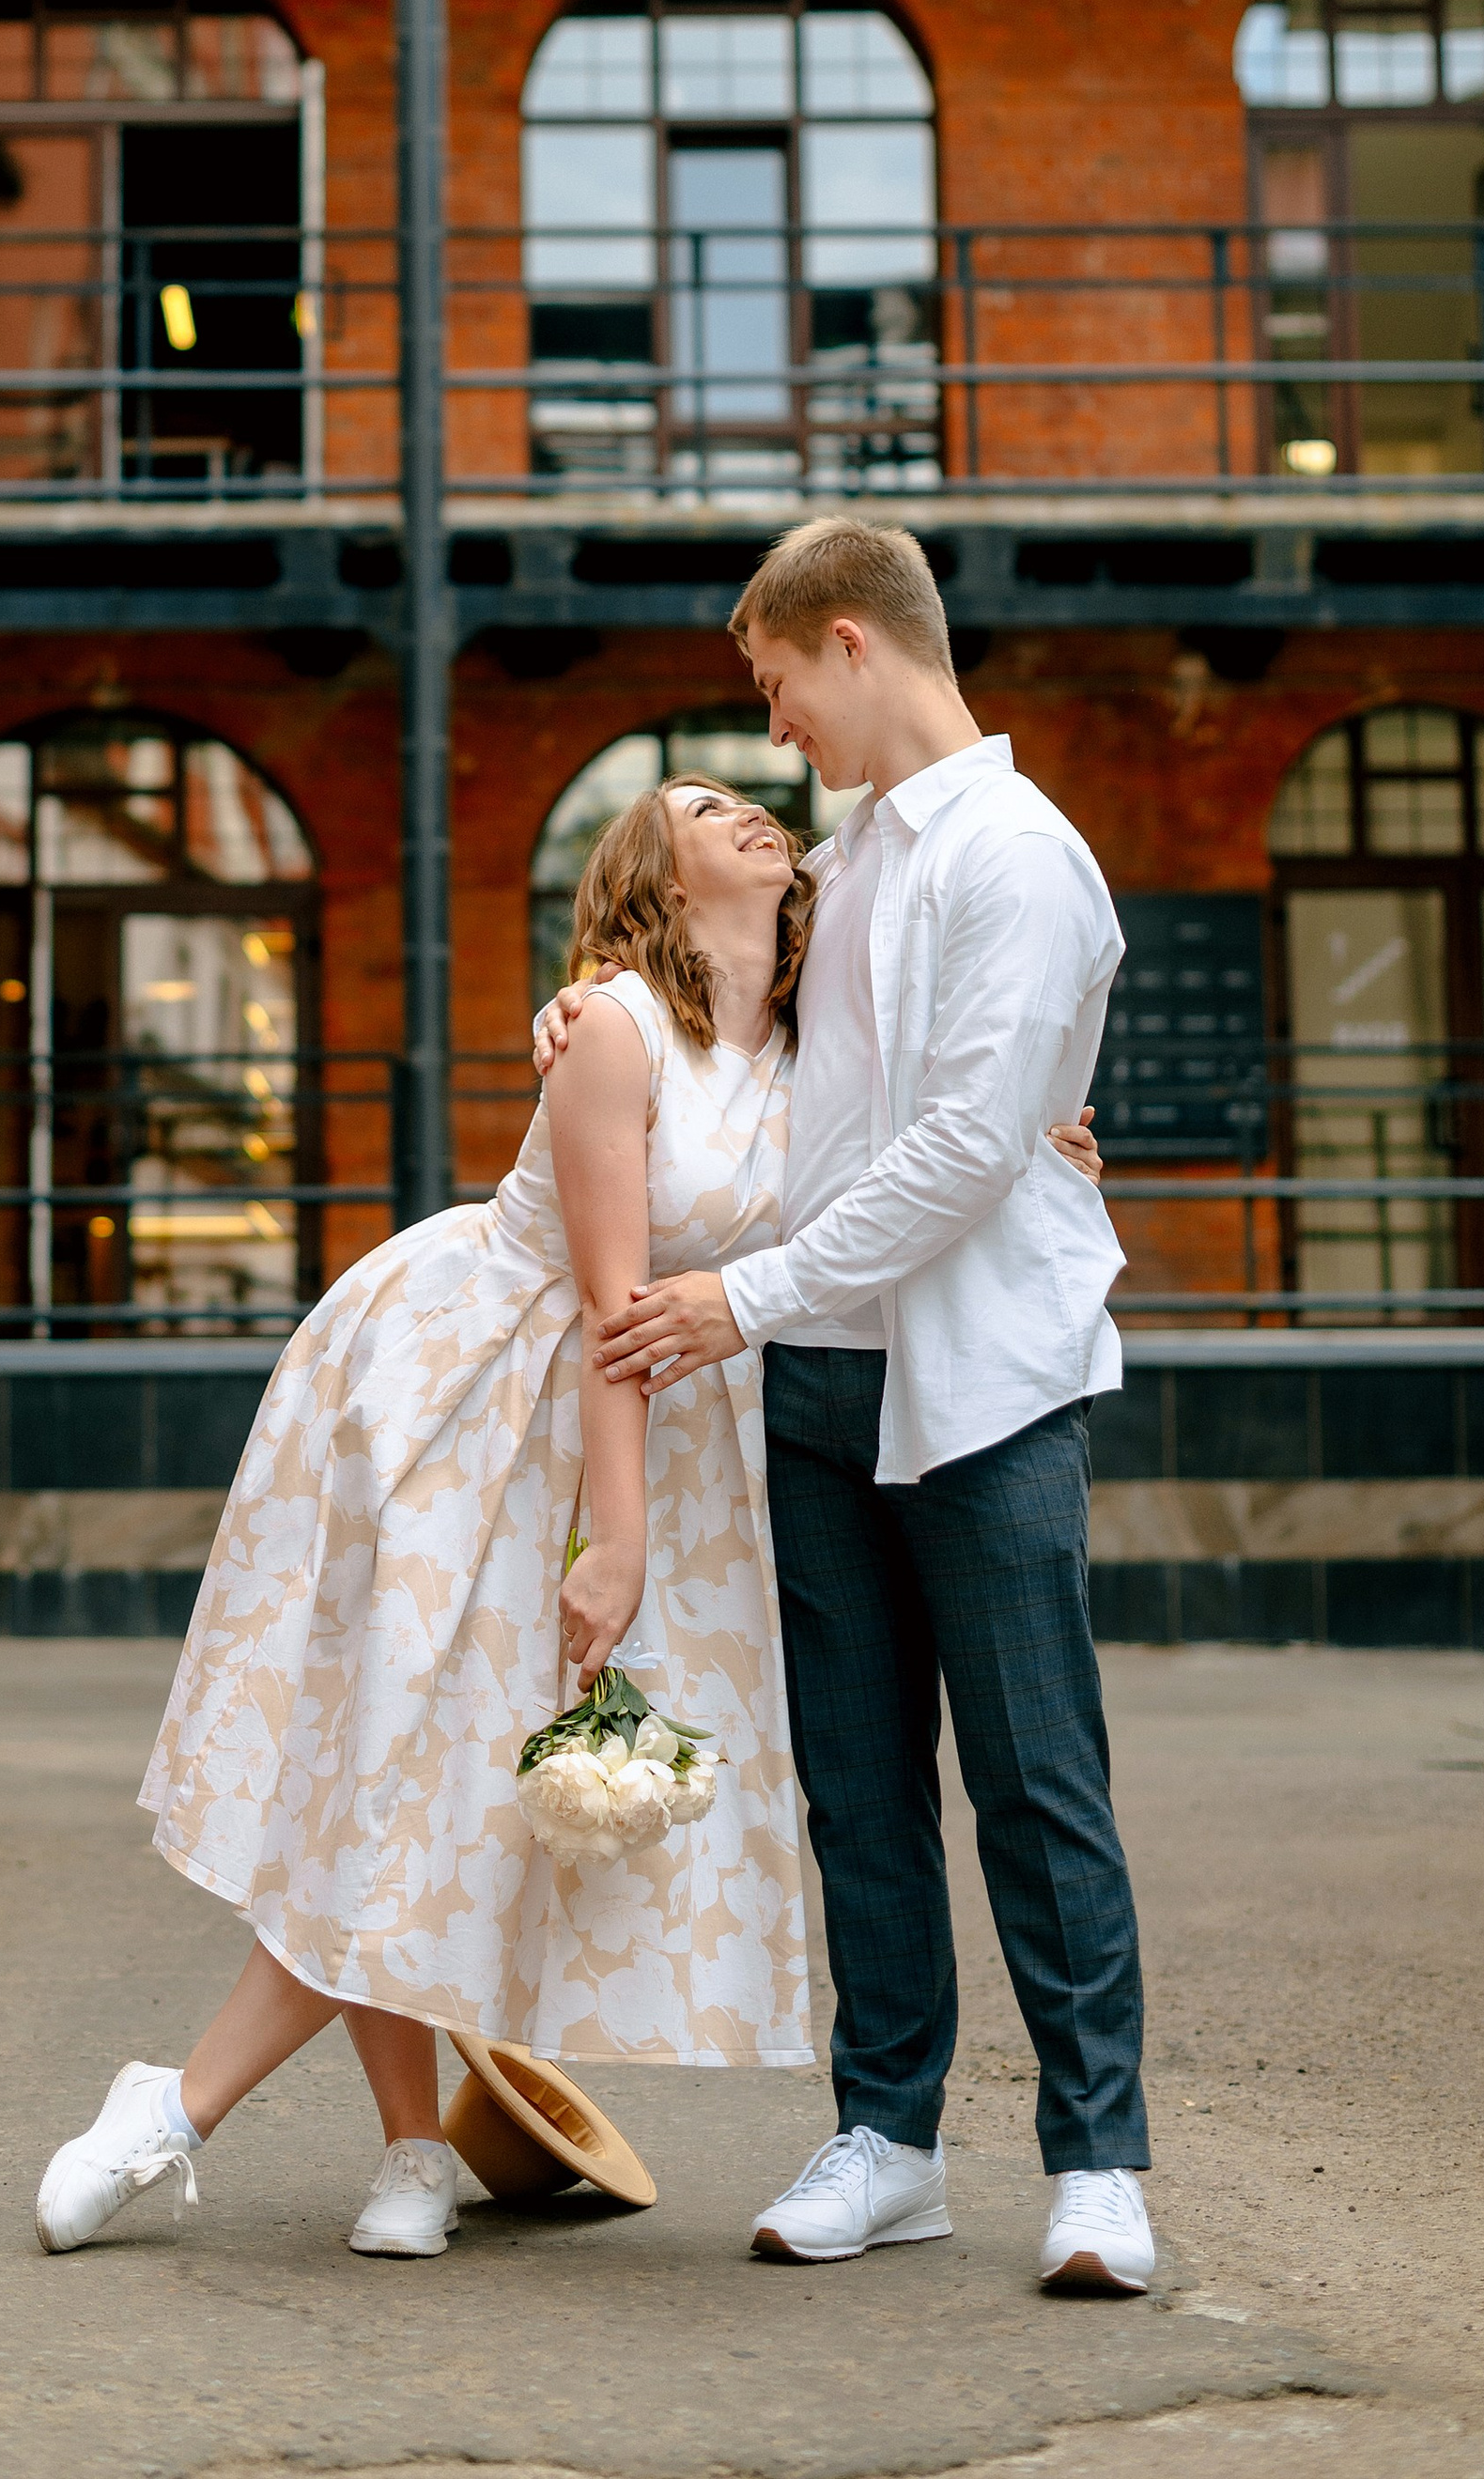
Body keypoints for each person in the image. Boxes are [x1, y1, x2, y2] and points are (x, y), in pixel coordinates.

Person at [33, 758, 1108, 2266]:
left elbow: (927, 1138)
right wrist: (618, 1540)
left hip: (648, 1423)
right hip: (481, 1398)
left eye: (747, 794)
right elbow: (613, 1305)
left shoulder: (809, 1044)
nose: (747, 806)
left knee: (459, 1790)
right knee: (402, 1765)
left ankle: (398, 2143)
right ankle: (191, 2113)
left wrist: (1047, 1141)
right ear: (659, 886)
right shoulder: (613, 1028)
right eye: (698, 809)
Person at [544, 515, 1155, 2299]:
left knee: (1040, 1787)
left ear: (849, 643)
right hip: (822, 1388)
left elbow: (970, 1142)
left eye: (777, 685)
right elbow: (719, 1012)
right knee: (860, 1795)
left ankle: (1099, 2163)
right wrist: (580, 1009)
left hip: (981, 1387)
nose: (776, 730)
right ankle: (889, 2138)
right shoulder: (858, 853)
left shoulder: (1019, 857)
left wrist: (741, 1295)